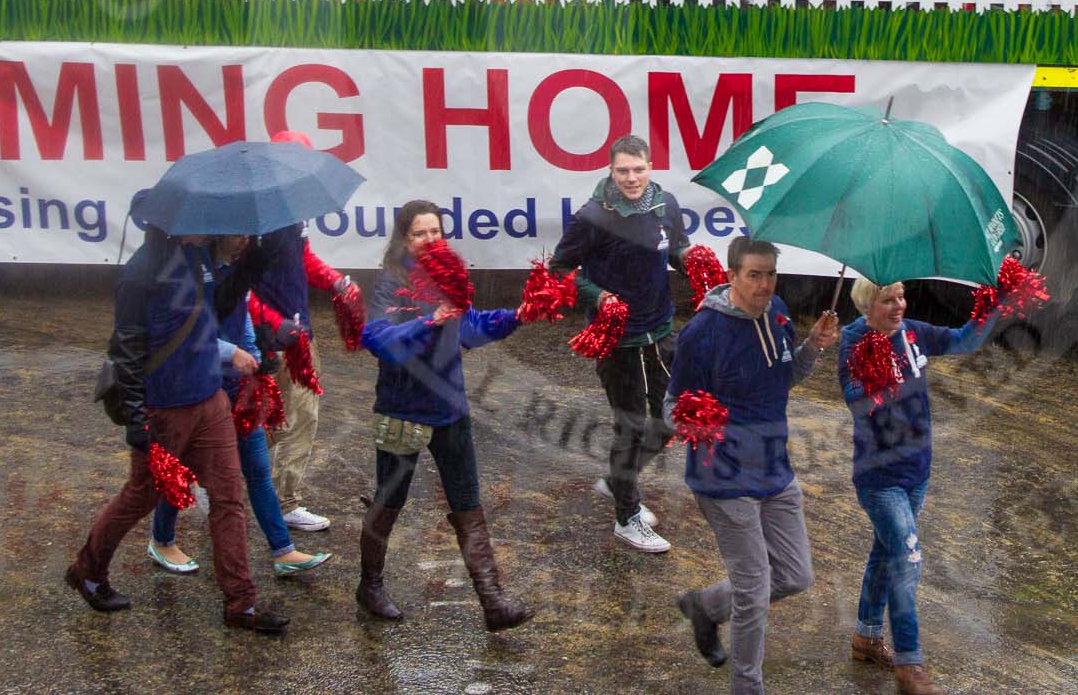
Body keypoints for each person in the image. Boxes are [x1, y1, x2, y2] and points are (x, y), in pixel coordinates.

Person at [67, 219, 288, 634]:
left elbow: (213, 311)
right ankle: (88, 568)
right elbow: (127, 349)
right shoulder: (141, 271)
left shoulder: (196, 256)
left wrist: (248, 269)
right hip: (165, 410)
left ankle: (241, 603)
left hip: (209, 400)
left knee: (229, 498)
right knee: (139, 497)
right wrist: (137, 420)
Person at [669, 237, 840, 695]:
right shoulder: (702, 334)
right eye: (754, 275)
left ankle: (704, 606)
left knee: (795, 575)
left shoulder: (778, 312)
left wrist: (813, 346)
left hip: (774, 471)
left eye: (770, 274)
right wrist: (696, 424)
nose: (765, 285)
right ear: (732, 275)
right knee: (754, 588)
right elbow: (670, 407)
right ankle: (748, 687)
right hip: (722, 479)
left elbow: (786, 377)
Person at [354, 200, 531, 631]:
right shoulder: (390, 285)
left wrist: (518, 316)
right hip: (403, 413)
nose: (430, 240)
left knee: (468, 505)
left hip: (451, 410)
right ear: (404, 238)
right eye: (420, 233)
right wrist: (428, 322)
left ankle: (493, 602)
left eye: (436, 232)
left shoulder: (448, 277)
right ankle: (370, 585)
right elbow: (378, 340)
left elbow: (469, 327)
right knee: (389, 501)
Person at [837, 279, 995, 695]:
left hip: (917, 471)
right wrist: (878, 380)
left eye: (902, 296)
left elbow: (963, 341)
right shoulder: (854, 340)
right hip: (879, 477)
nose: (899, 305)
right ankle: (910, 663)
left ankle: (866, 636)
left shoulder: (913, 332)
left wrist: (990, 306)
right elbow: (855, 401)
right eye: (889, 299)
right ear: (868, 304)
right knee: (907, 561)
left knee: (886, 552)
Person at [146, 238, 333, 580]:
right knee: (182, 471)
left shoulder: (238, 269)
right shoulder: (190, 271)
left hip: (237, 391)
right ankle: (161, 539)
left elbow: (243, 316)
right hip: (198, 390)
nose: (244, 240)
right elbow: (186, 329)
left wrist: (258, 356)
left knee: (258, 472)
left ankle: (283, 550)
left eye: (248, 236)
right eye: (238, 235)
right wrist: (231, 352)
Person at [549, 134, 693, 554]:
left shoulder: (666, 205)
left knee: (671, 417)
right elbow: (560, 269)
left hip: (660, 331)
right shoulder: (592, 217)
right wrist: (597, 296)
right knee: (629, 428)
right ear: (611, 171)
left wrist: (690, 261)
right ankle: (627, 518)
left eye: (639, 169)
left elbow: (675, 249)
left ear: (651, 167)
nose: (631, 178)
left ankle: (617, 482)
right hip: (617, 340)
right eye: (623, 170)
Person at [241, 210, 363, 538]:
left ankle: (284, 502)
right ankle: (218, 487)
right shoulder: (242, 215)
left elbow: (303, 258)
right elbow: (234, 287)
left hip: (299, 337)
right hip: (257, 341)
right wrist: (272, 322)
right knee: (250, 422)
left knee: (302, 418)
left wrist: (334, 279)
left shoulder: (290, 210)